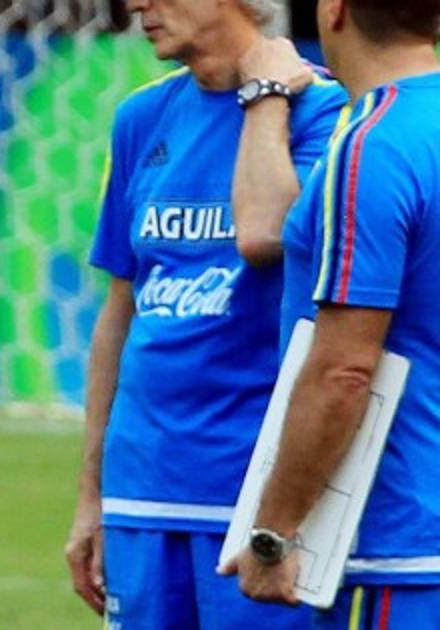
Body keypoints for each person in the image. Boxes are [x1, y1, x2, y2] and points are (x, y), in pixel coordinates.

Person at [64, 0, 348, 627]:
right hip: (141, 493)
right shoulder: (140, 117)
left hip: (260, 499)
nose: (136, 4)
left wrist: (266, 98)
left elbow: (270, 232)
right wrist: (93, 497)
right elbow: (120, 311)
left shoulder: (327, 111)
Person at [222, 0, 440, 627]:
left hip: (405, 546)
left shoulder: (373, 144)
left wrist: (273, 532)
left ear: (334, 10)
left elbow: (344, 370)